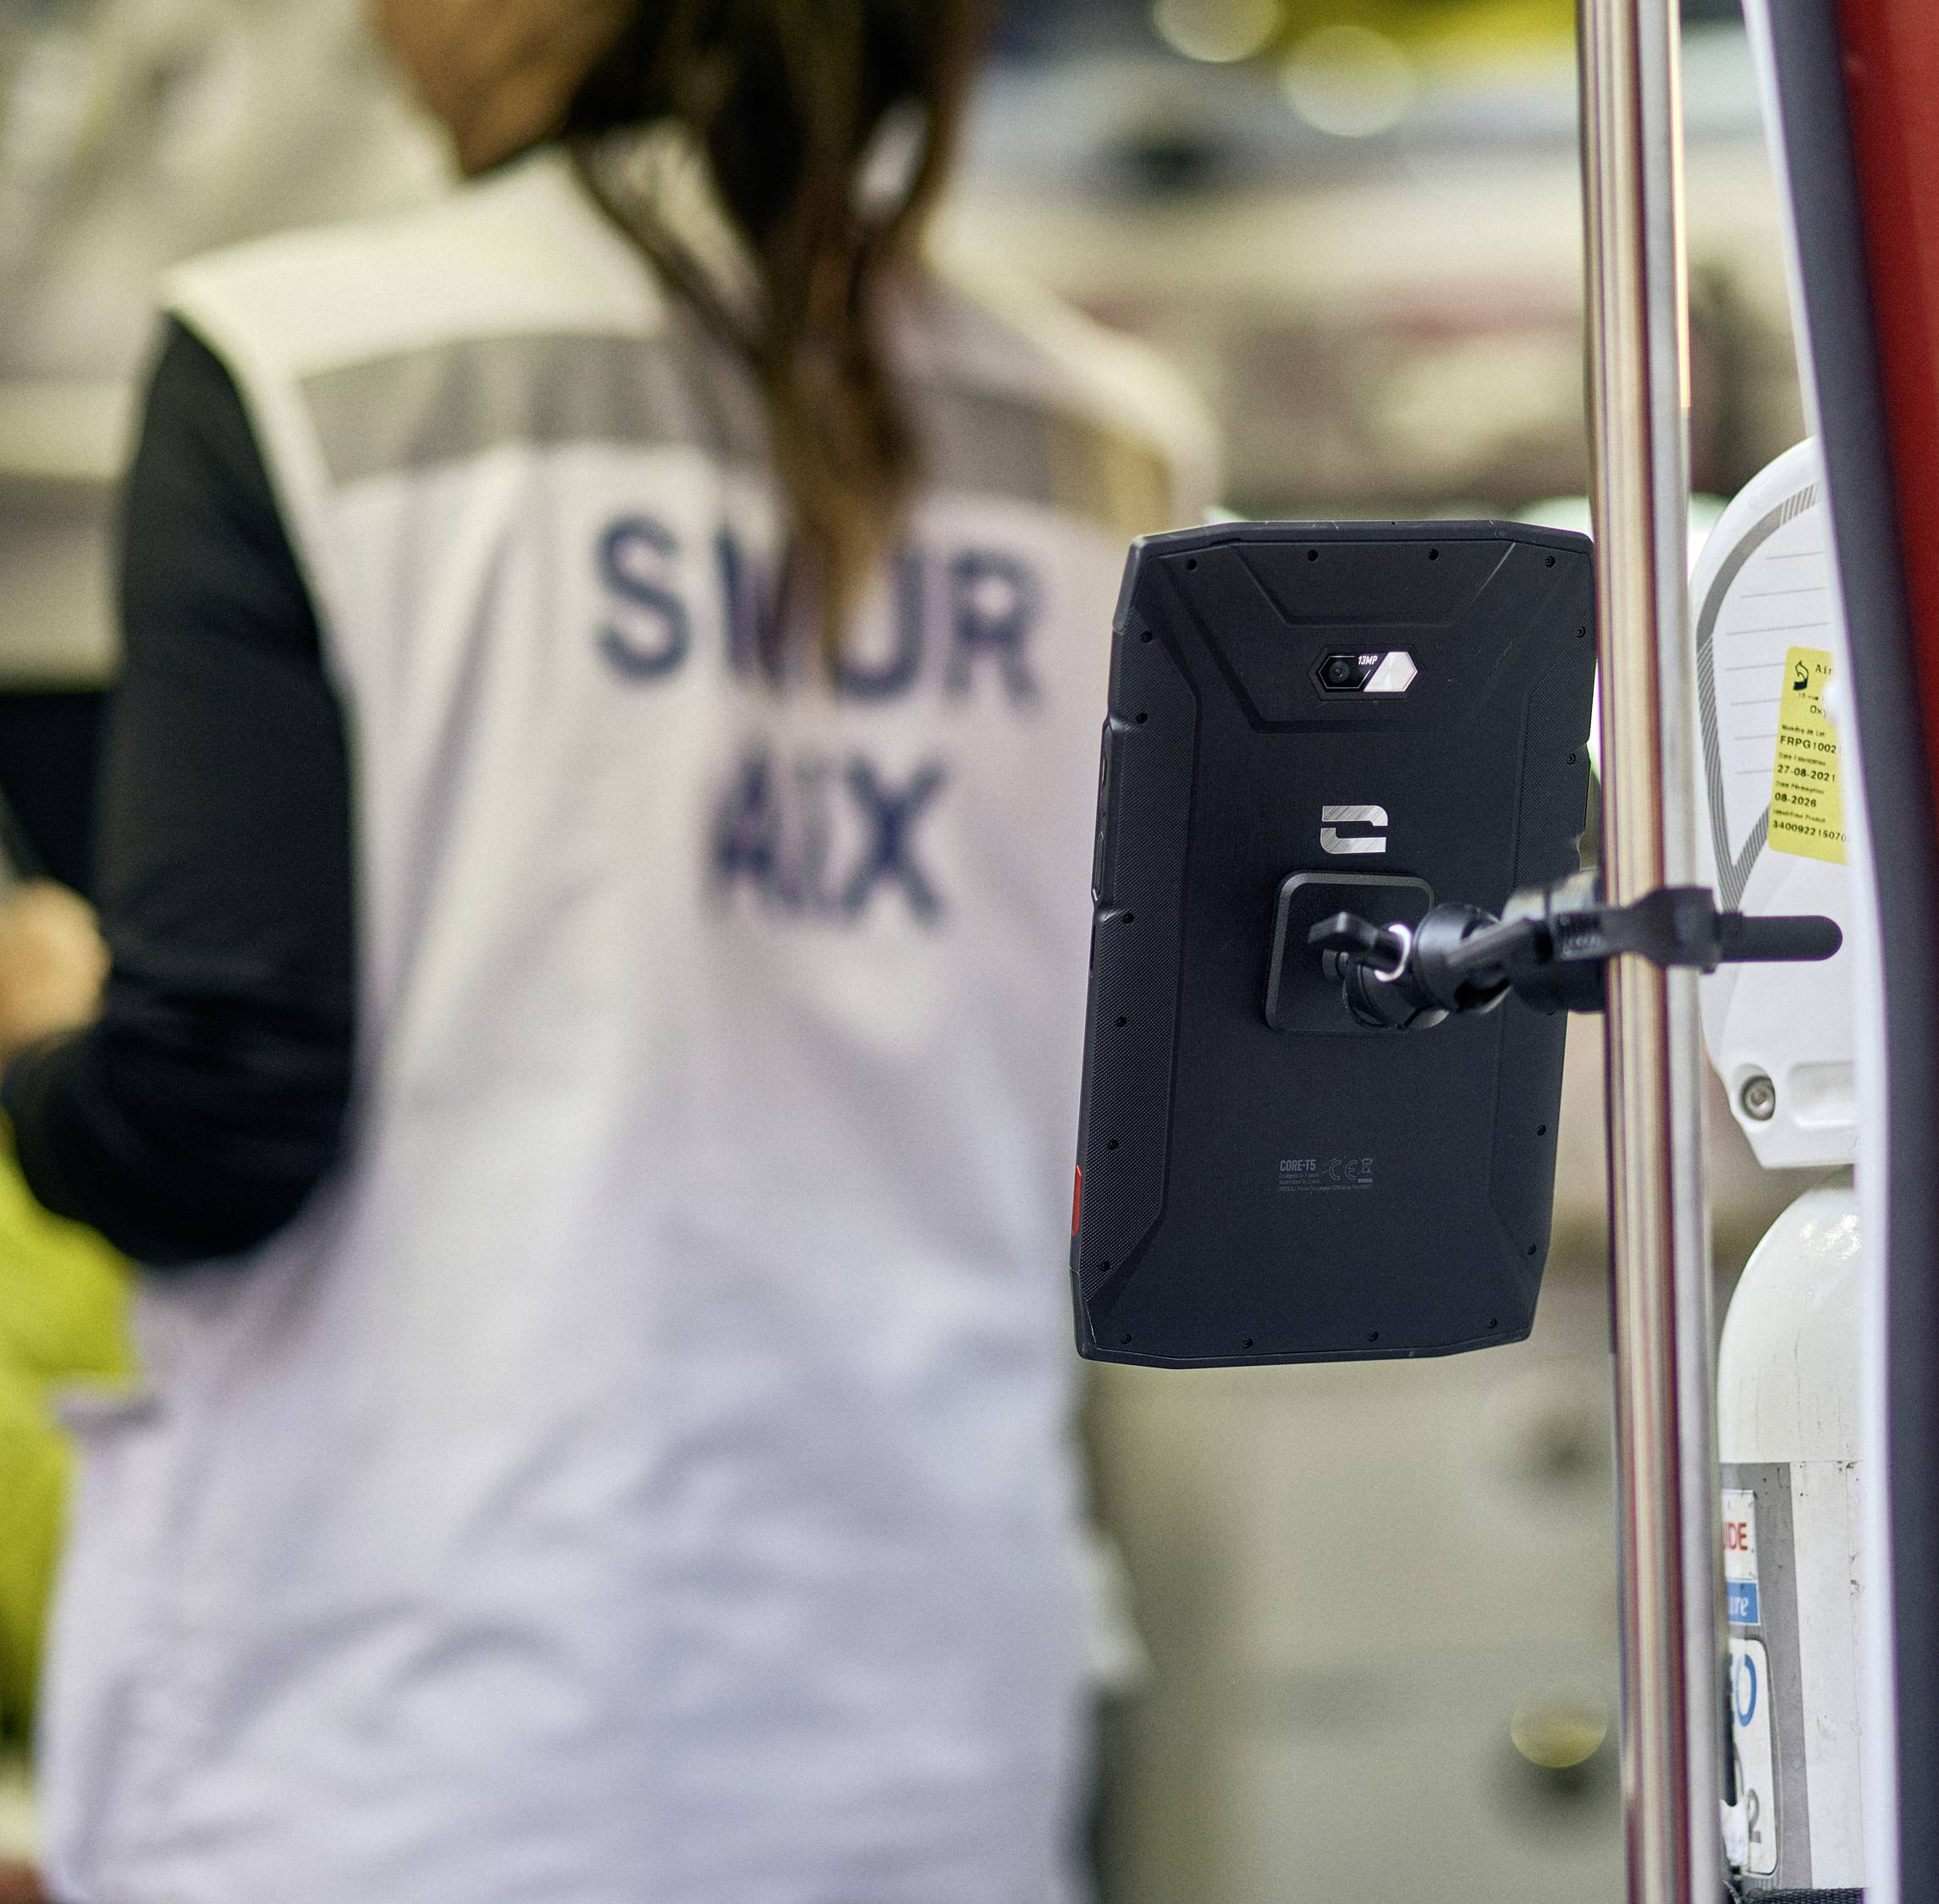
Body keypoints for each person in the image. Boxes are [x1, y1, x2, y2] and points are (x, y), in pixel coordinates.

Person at [0, 0, 1210, 1896]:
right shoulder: (1107, 439)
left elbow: (208, 1122)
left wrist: (45, 1035)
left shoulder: (305, 365)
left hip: (413, 1738)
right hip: (923, 1726)